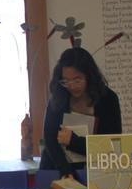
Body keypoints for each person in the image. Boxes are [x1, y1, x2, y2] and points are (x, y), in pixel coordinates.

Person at [39, 47, 122, 178]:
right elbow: (50, 140)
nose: (71, 86)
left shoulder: (108, 99)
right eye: (66, 81)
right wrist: (65, 171)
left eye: (77, 80)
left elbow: (110, 145)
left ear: (89, 76)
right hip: (57, 169)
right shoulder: (59, 96)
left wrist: (74, 141)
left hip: (97, 173)